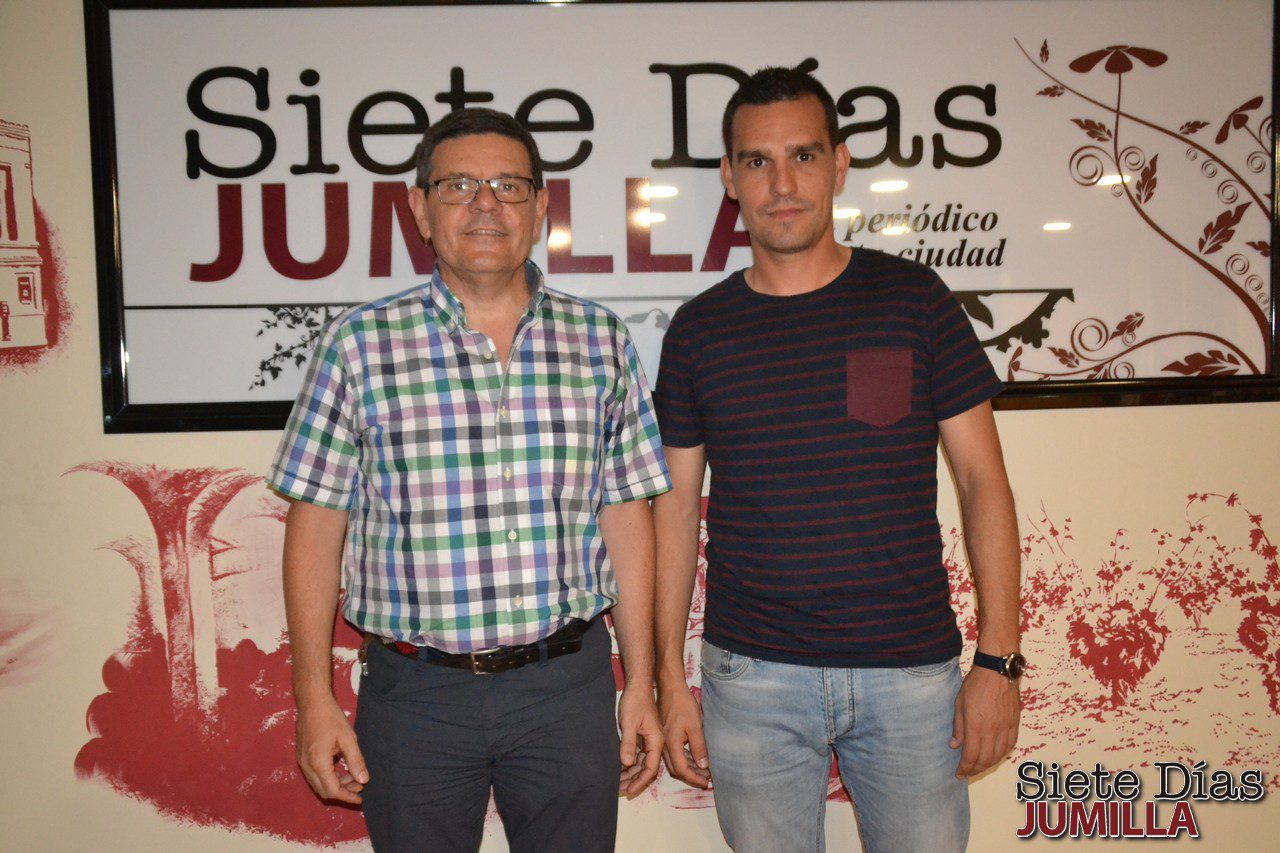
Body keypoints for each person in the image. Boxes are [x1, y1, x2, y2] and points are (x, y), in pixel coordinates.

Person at [268, 107, 671, 853]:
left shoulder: (601, 342)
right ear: (420, 209)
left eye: (509, 186)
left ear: (540, 207)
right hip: (415, 698)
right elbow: (316, 530)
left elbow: (626, 518)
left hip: (566, 690)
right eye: (459, 185)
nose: (486, 204)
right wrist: (312, 698)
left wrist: (640, 681)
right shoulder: (357, 347)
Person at [652, 66, 1023, 853]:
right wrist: (668, 679)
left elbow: (983, 481)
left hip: (910, 676)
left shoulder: (915, 300)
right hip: (752, 678)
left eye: (804, 156)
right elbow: (675, 511)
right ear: (729, 177)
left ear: (840, 163)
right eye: (757, 161)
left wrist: (998, 660)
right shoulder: (698, 331)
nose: (782, 184)